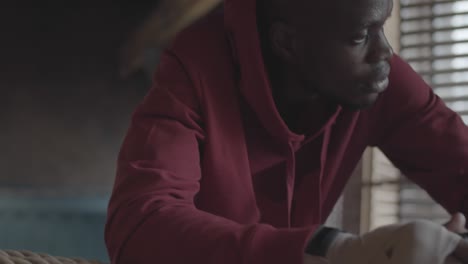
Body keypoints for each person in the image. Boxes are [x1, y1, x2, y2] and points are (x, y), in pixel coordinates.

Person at [105, 0, 468, 263]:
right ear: (287, 42)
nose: (385, 52)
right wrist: (338, 250)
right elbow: (139, 226)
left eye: (383, 25)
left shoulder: (380, 78)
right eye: (360, 36)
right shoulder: (194, 70)